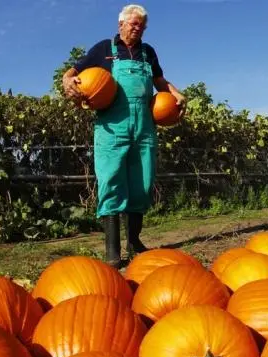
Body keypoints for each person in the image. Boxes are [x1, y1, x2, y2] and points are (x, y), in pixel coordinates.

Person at [61, 4, 186, 268]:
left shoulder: (148, 52)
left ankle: (134, 241)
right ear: (120, 25)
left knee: (142, 181)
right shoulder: (104, 49)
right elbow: (72, 73)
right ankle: (112, 250)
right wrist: (66, 81)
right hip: (112, 126)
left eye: (142, 24)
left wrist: (175, 93)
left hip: (144, 126)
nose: (137, 27)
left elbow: (160, 83)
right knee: (111, 180)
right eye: (133, 23)